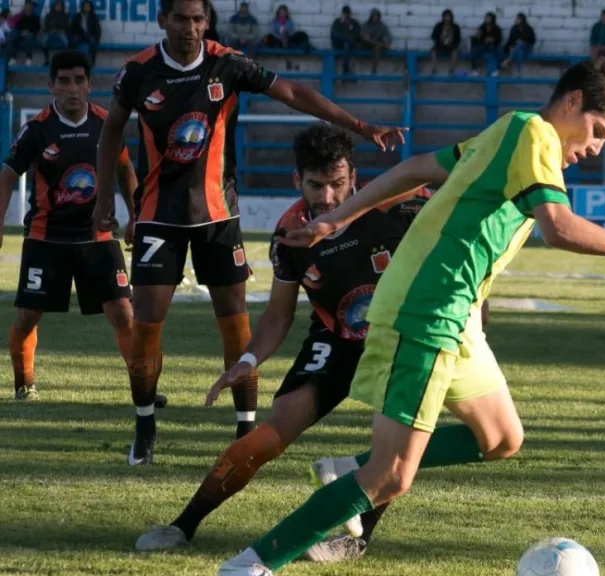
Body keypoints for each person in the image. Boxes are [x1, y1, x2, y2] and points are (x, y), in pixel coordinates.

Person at [216, 59, 605, 576]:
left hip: (458, 314)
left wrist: (339, 216)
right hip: (429, 308)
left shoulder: (508, 131)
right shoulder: (535, 135)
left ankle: (343, 470)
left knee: (500, 438)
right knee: (392, 476)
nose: (595, 148)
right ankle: (253, 563)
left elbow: (418, 168)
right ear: (571, 104)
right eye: (597, 132)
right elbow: (557, 227)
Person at [92, 0, 406, 467]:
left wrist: (359, 126)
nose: (190, 28)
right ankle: (144, 424)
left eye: (199, 19)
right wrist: (105, 200)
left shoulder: (229, 63)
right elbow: (112, 131)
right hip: (160, 217)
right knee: (147, 328)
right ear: (162, 20)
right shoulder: (137, 72)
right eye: (180, 18)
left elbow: (295, 93)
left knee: (236, 327)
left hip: (219, 216)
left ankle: (244, 426)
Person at [133, 124, 427, 553]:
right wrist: (248, 362)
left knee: (396, 448)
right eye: (315, 185)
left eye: (337, 184)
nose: (326, 197)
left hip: (401, 340)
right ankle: (183, 525)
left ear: (354, 178)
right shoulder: (289, 235)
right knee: (270, 432)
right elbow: (278, 314)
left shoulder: (397, 205)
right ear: (297, 181)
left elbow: (458, 225)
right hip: (336, 336)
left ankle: (355, 542)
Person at [0, 51, 139, 402]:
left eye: (79, 80)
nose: (72, 89)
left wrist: (135, 214)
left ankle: (143, 385)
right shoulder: (36, 129)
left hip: (97, 235)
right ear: (51, 86)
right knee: (29, 315)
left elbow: (125, 171)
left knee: (123, 312)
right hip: (46, 237)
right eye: (64, 81)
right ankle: (24, 384)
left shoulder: (108, 125)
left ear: (90, 85)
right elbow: (6, 178)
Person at [6, 1, 41, 66]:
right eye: (27, 6)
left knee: (29, 38)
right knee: (10, 39)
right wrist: (21, 32)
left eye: (30, 7)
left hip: (30, 34)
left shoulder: (35, 17)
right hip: (19, 33)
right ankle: (12, 58)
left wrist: (28, 31)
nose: (28, 8)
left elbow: (37, 28)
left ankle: (29, 58)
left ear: (33, 8)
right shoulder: (20, 16)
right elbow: (15, 26)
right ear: (25, 7)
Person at [331, 5, 361, 75]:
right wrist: (341, 23)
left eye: (348, 13)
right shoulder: (337, 21)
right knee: (345, 43)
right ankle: (343, 69)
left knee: (347, 44)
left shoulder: (354, 22)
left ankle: (345, 67)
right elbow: (335, 33)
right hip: (339, 44)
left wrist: (349, 38)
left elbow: (357, 34)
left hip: (350, 44)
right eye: (345, 13)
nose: (346, 15)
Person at [429, 9, 460, 76]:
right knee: (433, 51)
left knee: (455, 52)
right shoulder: (438, 26)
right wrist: (441, 39)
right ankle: (434, 69)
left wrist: (451, 42)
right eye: (445, 16)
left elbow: (458, 39)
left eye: (448, 17)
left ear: (451, 17)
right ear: (442, 17)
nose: (447, 18)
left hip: (451, 46)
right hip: (440, 45)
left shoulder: (455, 27)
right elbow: (433, 36)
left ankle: (451, 70)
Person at [69, 0, 100, 65]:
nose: (87, 8)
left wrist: (96, 38)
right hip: (79, 35)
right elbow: (72, 28)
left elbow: (98, 29)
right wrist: (73, 35)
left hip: (89, 35)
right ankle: (73, 61)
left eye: (88, 6)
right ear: (82, 7)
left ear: (91, 7)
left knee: (93, 43)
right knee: (73, 42)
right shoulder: (77, 16)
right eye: (85, 6)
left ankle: (92, 62)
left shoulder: (94, 17)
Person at [41, 0, 69, 66]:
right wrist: (51, 30)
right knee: (43, 41)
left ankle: (63, 59)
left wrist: (57, 27)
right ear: (54, 6)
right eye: (57, 6)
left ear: (62, 7)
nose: (58, 7)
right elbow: (46, 26)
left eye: (60, 6)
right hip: (50, 33)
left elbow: (66, 26)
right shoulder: (49, 15)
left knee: (66, 43)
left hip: (60, 32)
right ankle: (46, 59)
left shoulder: (65, 16)